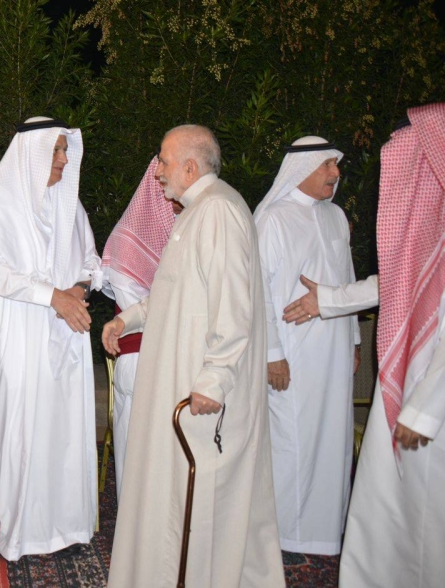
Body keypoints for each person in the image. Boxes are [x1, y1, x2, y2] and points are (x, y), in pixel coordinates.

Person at [102, 124, 284, 587]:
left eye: (163, 161)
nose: (157, 171)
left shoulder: (218, 210)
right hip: (179, 379)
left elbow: (234, 306)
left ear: (189, 166)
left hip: (200, 393)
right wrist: (128, 320)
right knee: (176, 495)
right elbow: (176, 293)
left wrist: (213, 380)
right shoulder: (197, 211)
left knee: (201, 503)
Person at [0, 117, 101, 561]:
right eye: (55, 150)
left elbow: (92, 260)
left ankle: (68, 528)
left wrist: (80, 288)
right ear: (32, 153)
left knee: (67, 432)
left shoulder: (69, 203)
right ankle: (25, 534)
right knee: (24, 433)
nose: (64, 159)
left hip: (67, 337)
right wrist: (53, 296)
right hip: (20, 339)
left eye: (65, 150)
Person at [339, 103, 445, 588]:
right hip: (415, 388)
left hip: (429, 402)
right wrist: (326, 299)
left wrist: (423, 409)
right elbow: (402, 283)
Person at [253, 136, 360, 555]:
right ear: (302, 168)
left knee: (332, 440)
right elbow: (257, 292)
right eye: (327, 165)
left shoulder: (336, 216)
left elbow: (348, 281)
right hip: (292, 354)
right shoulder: (273, 219)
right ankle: (285, 535)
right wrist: (271, 354)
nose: (336, 173)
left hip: (335, 351)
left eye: (336, 165)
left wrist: (354, 340)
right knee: (291, 441)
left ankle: (325, 532)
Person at [99, 155, 177, 498]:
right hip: (141, 360)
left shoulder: (181, 235)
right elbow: (152, 311)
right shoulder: (128, 245)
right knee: (139, 460)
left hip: (175, 360)